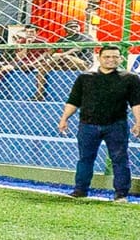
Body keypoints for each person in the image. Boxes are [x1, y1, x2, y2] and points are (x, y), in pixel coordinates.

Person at [58, 44, 140, 200]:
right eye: (107, 57)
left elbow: (136, 103)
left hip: (116, 125)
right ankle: (80, 191)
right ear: (99, 58)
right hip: (87, 125)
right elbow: (74, 101)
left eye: (115, 57)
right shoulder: (85, 78)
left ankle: (121, 194)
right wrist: (64, 119)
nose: (111, 60)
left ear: (120, 58)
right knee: (85, 159)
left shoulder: (130, 79)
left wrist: (138, 122)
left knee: (120, 159)